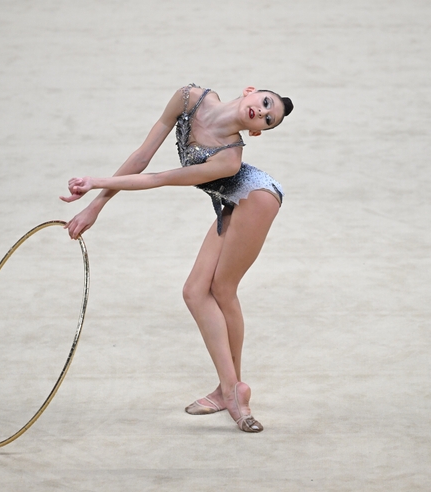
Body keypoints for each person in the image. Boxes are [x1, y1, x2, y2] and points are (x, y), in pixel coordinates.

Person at [61, 83, 293, 433]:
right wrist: (96, 205)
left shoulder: (229, 159)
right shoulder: (189, 98)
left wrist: (94, 182)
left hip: (258, 198)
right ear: (249, 91)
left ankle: (233, 390)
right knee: (194, 291)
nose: (261, 111)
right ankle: (230, 388)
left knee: (222, 289)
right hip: (233, 203)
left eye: (268, 118)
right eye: (264, 103)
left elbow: (160, 178)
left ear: (257, 132)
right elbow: (143, 157)